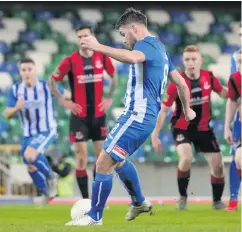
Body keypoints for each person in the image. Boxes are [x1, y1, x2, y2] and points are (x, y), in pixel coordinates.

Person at [65, 7, 195, 226]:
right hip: (141, 116)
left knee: (103, 163)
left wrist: (97, 47)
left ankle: (95, 216)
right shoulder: (160, 49)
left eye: (124, 34)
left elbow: (131, 57)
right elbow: (181, 83)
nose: (124, 40)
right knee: (117, 160)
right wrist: (187, 107)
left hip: (138, 115)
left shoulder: (146, 45)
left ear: (134, 28)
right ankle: (139, 202)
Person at [152, 45, 228, 210]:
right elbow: (164, 110)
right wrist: (155, 135)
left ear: (200, 61)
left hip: (204, 128)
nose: (191, 63)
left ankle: (217, 201)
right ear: (183, 61)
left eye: (194, 59)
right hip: (182, 127)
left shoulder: (209, 76)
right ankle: (183, 198)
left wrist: (237, 91)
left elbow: (223, 93)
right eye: (187, 59)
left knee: (218, 166)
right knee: (186, 157)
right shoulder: (176, 82)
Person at [48, 23, 117, 199]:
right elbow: (52, 81)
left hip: (99, 116)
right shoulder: (70, 61)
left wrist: (109, 98)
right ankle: (86, 200)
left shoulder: (102, 57)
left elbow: (114, 76)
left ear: (92, 36)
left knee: (101, 159)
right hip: (79, 117)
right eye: (79, 37)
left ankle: (97, 199)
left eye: (85, 36)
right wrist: (64, 101)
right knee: (81, 158)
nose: (82, 40)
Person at [4, 58, 70, 204]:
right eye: (23, 70)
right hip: (27, 133)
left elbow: (66, 95)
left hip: (47, 129)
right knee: (30, 166)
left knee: (30, 155)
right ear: (20, 72)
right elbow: (7, 113)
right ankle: (46, 193)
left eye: (29, 69)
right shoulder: (15, 89)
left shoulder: (46, 85)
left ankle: (51, 175)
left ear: (35, 70)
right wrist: (16, 107)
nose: (27, 72)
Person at [225, 28, 241, 211]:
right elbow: (233, 95)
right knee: (237, 158)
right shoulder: (235, 57)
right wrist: (227, 125)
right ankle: (234, 198)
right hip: (239, 118)